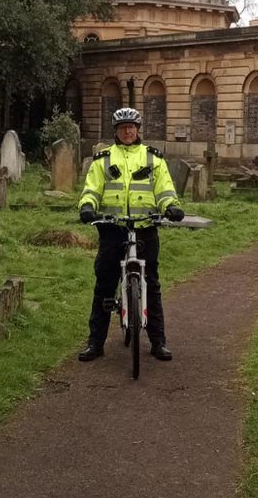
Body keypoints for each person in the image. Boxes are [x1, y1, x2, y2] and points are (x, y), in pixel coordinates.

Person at [77, 107, 185, 362]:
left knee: (153, 284)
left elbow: (164, 189)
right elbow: (92, 189)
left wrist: (171, 207)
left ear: (138, 130)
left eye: (131, 127)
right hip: (112, 229)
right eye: (123, 127)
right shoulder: (103, 159)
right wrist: (87, 207)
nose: (127, 131)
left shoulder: (153, 159)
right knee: (104, 284)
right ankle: (95, 343)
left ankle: (159, 343)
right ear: (116, 130)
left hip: (145, 228)